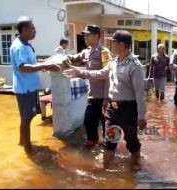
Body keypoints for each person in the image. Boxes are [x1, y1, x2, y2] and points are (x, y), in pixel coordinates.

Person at [63, 30, 147, 169]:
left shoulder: (135, 65)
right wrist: (79, 72)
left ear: (121, 44)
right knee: (110, 142)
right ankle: (105, 169)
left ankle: (137, 163)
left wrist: (141, 116)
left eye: (113, 42)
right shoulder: (113, 62)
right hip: (112, 110)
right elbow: (100, 73)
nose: (111, 44)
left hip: (128, 110)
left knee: (131, 141)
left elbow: (140, 93)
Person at [10, 16, 61, 152]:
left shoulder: (26, 44)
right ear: (25, 30)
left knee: (26, 117)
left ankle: (23, 142)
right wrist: (45, 65)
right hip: (25, 89)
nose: (35, 31)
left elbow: (30, 65)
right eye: (33, 28)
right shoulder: (20, 47)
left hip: (28, 87)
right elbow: (24, 67)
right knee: (27, 118)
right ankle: (28, 149)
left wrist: (43, 65)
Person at [67, 25, 112, 150]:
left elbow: (108, 74)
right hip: (92, 95)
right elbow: (75, 58)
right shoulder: (86, 52)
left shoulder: (104, 52)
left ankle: (108, 148)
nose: (85, 37)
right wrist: (64, 58)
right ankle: (93, 142)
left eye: (88, 35)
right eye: (85, 35)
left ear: (97, 36)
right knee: (89, 122)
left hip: (103, 96)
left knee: (105, 124)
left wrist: (107, 98)